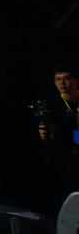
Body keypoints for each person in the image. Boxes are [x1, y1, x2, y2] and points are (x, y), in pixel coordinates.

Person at [39, 59, 79, 197]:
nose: (62, 83)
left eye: (66, 79)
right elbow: (47, 132)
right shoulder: (52, 105)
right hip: (69, 155)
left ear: (76, 80)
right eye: (58, 79)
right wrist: (46, 134)